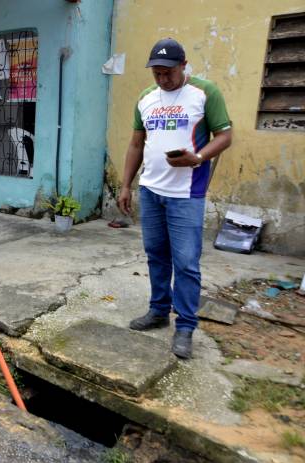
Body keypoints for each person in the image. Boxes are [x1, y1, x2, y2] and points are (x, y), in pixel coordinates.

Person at [118, 38, 232, 359]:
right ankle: (157, 311)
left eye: (168, 72)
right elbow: (136, 145)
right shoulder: (146, 98)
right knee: (156, 254)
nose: (163, 79)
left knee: (185, 262)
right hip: (151, 191)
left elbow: (225, 136)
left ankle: (185, 327)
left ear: (183, 65)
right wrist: (126, 185)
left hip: (186, 194)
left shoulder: (205, 93)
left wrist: (197, 157)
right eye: (157, 73)